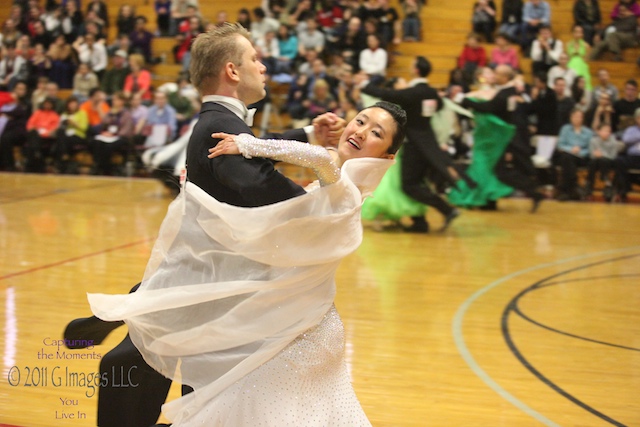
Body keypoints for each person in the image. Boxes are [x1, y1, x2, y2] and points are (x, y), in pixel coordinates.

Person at [64, 23, 346, 427]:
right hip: (208, 276)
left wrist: (305, 134)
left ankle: (120, 315)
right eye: (254, 59)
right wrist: (322, 206)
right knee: (167, 368)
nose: (263, 67)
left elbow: (249, 149)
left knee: (179, 365)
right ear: (232, 71)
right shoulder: (223, 126)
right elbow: (256, 181)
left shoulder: (220, 121)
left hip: (203, 274)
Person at [362, 56, 463, 232]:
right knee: (417, 183)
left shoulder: (413, 93)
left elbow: (388, 94)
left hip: (414, 145)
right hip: (428, 144)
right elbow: (438, 107)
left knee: (409, 185)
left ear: (416, 70)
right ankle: (420, 222)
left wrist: (365, 85)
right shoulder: (431, 93)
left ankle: (446, 210)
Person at [462, 65, 545, 212]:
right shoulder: (510, 92)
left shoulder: (505, 94)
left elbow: (488, 107)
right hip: (506, 136)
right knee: (498, 169)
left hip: (504, 137)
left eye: (498, 74)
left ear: (505, 78)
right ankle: (490, 200)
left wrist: (468, 102)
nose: (494, 76)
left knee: (500, 171)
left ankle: (532, 190)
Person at [553, 108, 594, 200]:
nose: (577, 119)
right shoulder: (565, 129)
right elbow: (560, 145)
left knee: (567, 160)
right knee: (567, 158)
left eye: (579, 117)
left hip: (582, 157)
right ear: (571, 117)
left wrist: (579, 152)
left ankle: (565, 189)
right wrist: (571, 149)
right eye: (575, 116)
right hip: (568, 155)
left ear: (582, 118)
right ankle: (572, 189)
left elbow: (590, 148)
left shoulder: (588, 132)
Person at [585, 123, 617, 199]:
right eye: (605, 131)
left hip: (608, 161)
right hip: (596, 161)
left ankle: (607, 185)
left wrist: (602, 154)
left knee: (603, 161)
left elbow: (613, 156)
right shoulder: (593, 140)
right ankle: (589, 184)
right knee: (592, 162)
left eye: (609, 131)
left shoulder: (613, 141)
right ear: (599, 131)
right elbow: (591, 154)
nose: (607, 133)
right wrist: (597, 155)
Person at [614, 107, 640, 201]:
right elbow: (626, 139)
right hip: (632, 157)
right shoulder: (631, 130)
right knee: (619, 160)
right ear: (637, 119)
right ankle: (622, 191)